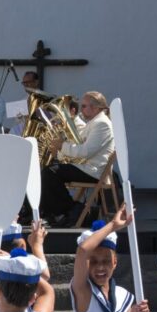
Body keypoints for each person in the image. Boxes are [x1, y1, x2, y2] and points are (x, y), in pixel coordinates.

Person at [40, 90, 115, 225]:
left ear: (96, 108)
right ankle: (61, 212)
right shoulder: (94, 122)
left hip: (93, 171)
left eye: (84, 106)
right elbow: (79, 145)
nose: (81, 110)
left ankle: (71, 210)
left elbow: (86, 151)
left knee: (50, 172)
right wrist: (60, 146)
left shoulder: (102, 124)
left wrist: (62, 145)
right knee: (48, 171)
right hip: (86, 167)